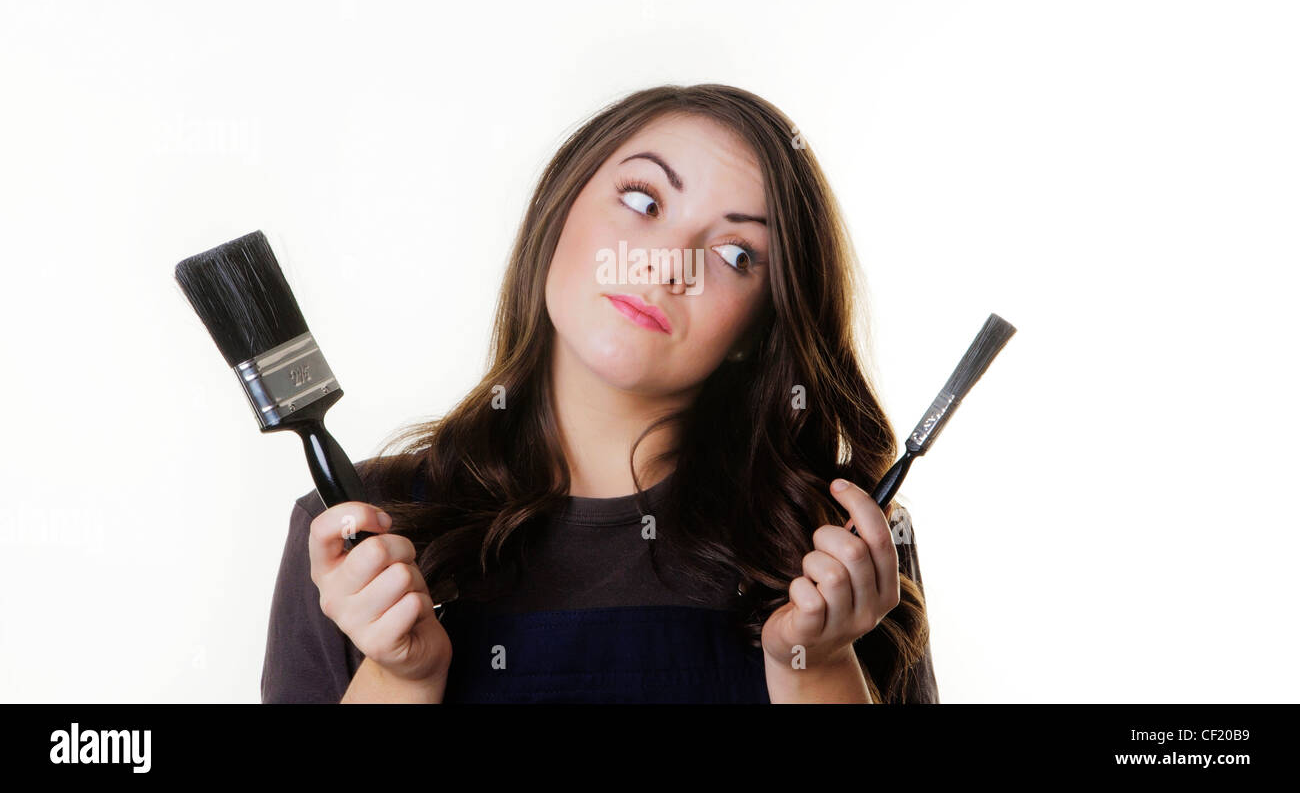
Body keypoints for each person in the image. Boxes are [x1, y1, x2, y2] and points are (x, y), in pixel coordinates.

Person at [261, 84, 940, 703]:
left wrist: (815, 666)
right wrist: (398, 675)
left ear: (754, 329)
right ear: (557, 211)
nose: (665, 265)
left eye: (736, 254)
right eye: (644, 203)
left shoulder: (838, 547)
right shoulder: (363, 534)